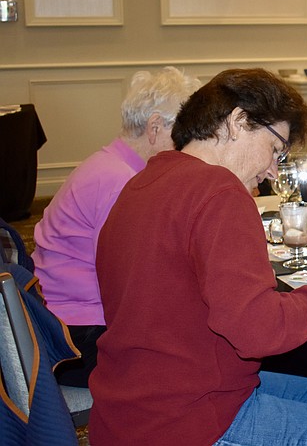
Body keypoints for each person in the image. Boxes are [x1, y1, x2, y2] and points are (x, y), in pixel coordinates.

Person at [88, 68, 307, 445]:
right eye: (275, 149)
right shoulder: (219, 192)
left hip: (129, 406)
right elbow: (258, 333)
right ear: (238, 121)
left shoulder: (141, 183)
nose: (270, 170)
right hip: (190, 420)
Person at [31, 66, 201, 387]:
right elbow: (133, 289)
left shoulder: (110, 163)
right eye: (185, 132)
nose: (191, 144)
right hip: (74, 340)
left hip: (56, 318)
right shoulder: (121, 183)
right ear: (154, 127)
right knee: (197, 354)